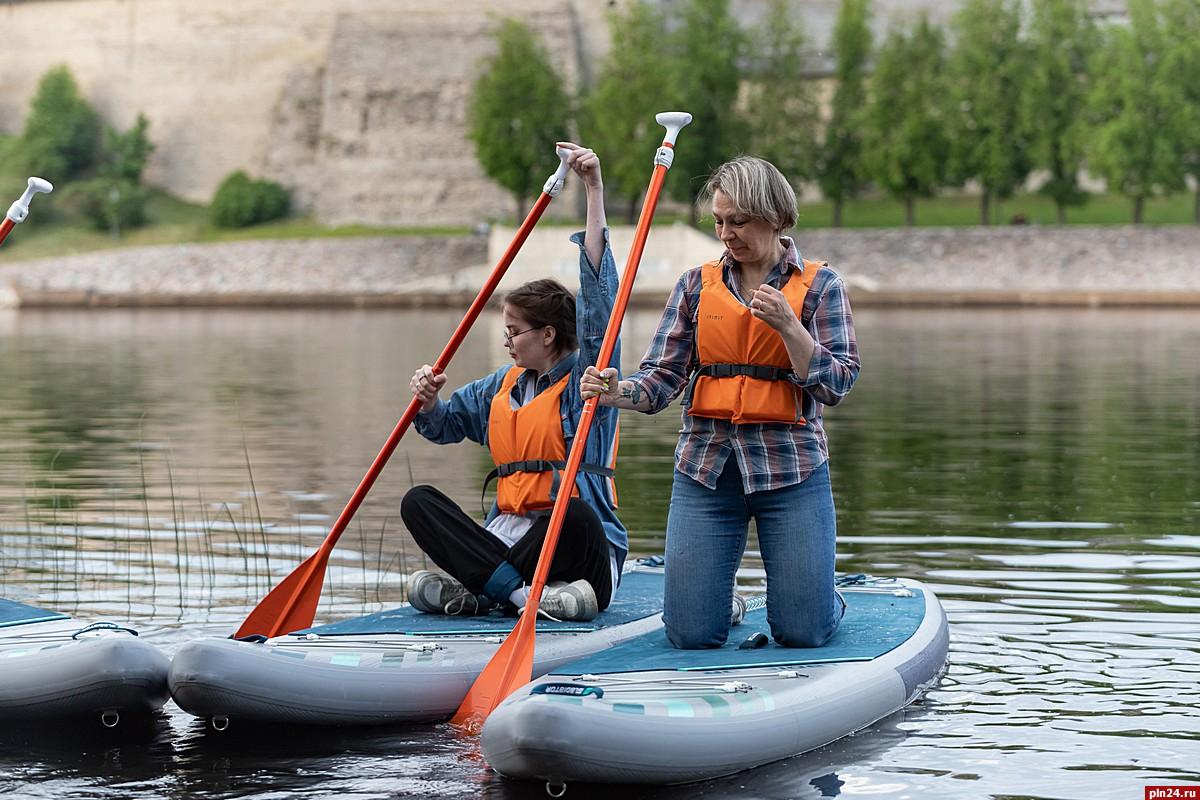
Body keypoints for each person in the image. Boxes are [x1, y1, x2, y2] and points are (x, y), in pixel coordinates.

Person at [581, 155, 860, 649]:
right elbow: (661, 378)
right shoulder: (694, 284)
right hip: (706, 470)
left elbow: (836, 385)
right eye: (719, 221)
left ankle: (819, 597)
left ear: (774, 216)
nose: (726, 233)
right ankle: (722, 603)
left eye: (738, 221)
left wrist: (790, 328)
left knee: (802, 631)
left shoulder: (822, 285)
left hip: (791, 471)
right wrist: (615, 392)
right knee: (689, 634)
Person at [400, 143, 625, 623]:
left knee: (572, 512)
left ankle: (485, 589)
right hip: (508, 541)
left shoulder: (589, 382)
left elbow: (599, 311)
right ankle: (514, 594)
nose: (506, 343)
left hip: (574, 545)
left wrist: (593, 190)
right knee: (418, 502)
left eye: (514, 333)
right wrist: (430, 401)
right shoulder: (501, 386)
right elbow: (445, 425)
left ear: (547, 335)